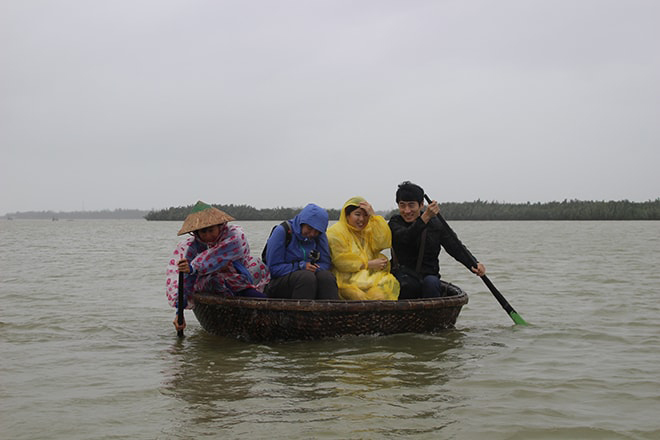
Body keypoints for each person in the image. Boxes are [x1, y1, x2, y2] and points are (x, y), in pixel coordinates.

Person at [166, 201, 270, 332]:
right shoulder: (194, 246)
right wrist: (179, 312)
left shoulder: (234, 235)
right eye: (203, 232)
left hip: (238, 277)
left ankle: (267, 313)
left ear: (220, 227)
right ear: (196, 233)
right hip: (215, 283)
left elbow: (215, 255)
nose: (208, 236)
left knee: (256, 296)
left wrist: (193, 268)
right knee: (214, 280)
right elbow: (186, 278)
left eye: (211, 230)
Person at [389, 181, 486, 299]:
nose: (407, 210)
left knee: (431, 283)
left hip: (427, 277)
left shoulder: (435, 224)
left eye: (411, 205)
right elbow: (405, 238)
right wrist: (425, 218)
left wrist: (473, 263)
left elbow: (454, 246)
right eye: (402, 205)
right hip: (402, 277)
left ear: (421, 205)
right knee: (406, 285)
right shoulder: (395, 223)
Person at [326, 196, 400, 300]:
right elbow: (341, 262)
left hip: (368, 277)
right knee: (359, 296)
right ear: (347, 215)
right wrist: (369, 264)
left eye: (365, 215)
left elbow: (383, 242)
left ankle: (380, 316)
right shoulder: (335, 232)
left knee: (383, 290)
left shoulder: (367, 231)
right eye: (357, 214)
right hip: (346, 280)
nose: (362, 219)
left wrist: (373, 215)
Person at [264, 203, 339, 300]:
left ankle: (330, 313)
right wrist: (300, 266)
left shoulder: (320, 236)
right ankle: (299, 314)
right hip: (279, 283)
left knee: (327, 277)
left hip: (308, 281)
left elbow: (325, 263)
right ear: (301, 223)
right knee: (306, 277)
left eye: (316, 231)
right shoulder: (282, 232)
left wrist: (314, 268)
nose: (312, 234)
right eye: (309, 228)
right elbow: (273, 269)